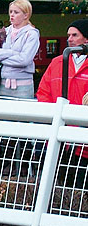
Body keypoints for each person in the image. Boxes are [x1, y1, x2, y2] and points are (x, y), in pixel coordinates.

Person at [36, 19, 88, 187]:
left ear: (86, 39)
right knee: (56, 186)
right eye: (68, 35)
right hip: (58, 137)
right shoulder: (58, 62)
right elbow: (43, 92)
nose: (69, 39)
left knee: (80, 188)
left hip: (83, 141)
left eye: (75, 35)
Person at [0, 0, 40, 99]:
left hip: (23, 86)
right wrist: (12, 53)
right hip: (1, 84)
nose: (12, 15)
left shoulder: (32, 34)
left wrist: (1, 59)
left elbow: (24, 60)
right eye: (10, 12)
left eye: (16, 12)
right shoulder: (2, 32)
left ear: (26, 15)